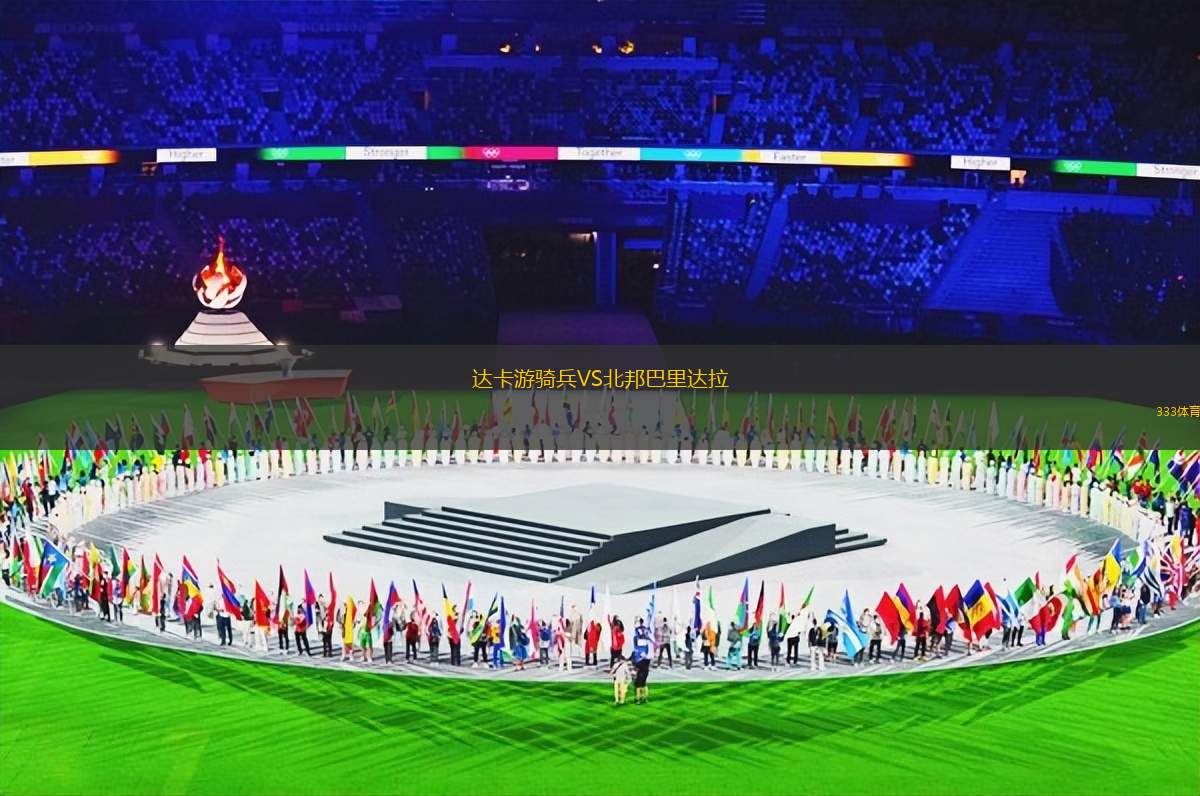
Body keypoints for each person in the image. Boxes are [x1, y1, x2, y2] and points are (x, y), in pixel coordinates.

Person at [631, 622, 652, 704]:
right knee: (644, 684)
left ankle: (638, 699)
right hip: (645, 670)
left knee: (638, 685)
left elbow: (636, 646)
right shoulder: (647, 658)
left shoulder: (638, 655)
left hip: (641, 670)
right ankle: (645, 698)